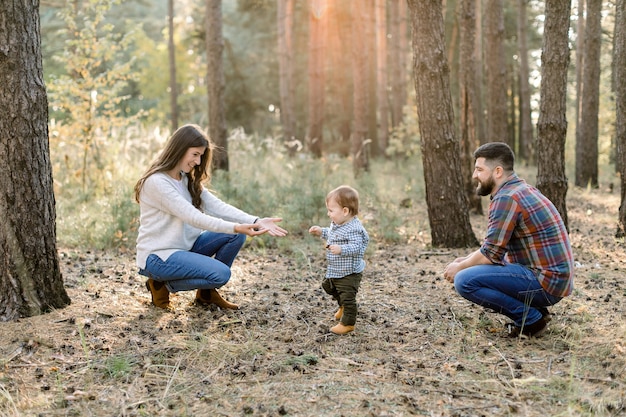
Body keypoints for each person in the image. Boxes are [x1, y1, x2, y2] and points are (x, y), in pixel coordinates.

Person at [134, 124, 287, 311]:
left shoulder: (185, 178)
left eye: (201, 156)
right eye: (195, 154)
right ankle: (160, 285)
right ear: (180, 149)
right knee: (222, 274)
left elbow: (217, 206)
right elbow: (193, 217)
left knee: (236, 235)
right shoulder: (157, 182)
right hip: (159, 256)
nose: (198, 162)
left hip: (184, 249)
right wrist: (236, 227)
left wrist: (255, 221)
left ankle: (206, 294)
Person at [443, 142, 574, 338]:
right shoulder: (520, 190)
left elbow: (490, 256)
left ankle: (531, 320)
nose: (474, 175)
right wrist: (464, 261)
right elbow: (493, 248)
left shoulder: (507, 198)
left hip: (546, 284)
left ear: (497, 171)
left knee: (464, 281)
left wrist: (460, 269)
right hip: (553, 280)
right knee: (469, 269)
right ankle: (539, 312)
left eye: (479, 169)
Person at [309, 185, 369, 335]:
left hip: (349, 272)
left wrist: (342, 249)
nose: (328, 214)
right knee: (328, 286)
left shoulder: (355, 228)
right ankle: (342, 305)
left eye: (331, 210)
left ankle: (348, 323)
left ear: (345, 211)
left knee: (348, 296)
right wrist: (321, 231)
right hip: (336, 269)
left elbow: (356, 246)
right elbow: (332, 234)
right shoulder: (339, 223)